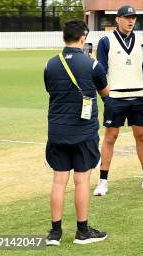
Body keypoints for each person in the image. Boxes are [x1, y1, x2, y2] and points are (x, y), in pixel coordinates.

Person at [44, 19, 109, 246]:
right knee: (82, 181)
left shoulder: (50, 64)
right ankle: (82, 231)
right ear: (83, 38)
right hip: (84, 132)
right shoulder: (92, 65)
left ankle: (55, 232)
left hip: (57, 130)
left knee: (59, 181)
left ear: (64, 37)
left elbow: (50, 89)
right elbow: (105, 92)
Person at [92, 5, 143, 196]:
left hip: (139, 96)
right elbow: (100, 71)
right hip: (115, 97)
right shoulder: (106, 41)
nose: (131, 21)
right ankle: (102, 181)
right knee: (110, 137)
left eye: (133, 18)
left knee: (141, 136)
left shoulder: (142, 40)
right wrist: (106, 96)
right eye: (127, 17)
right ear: (118, 19)